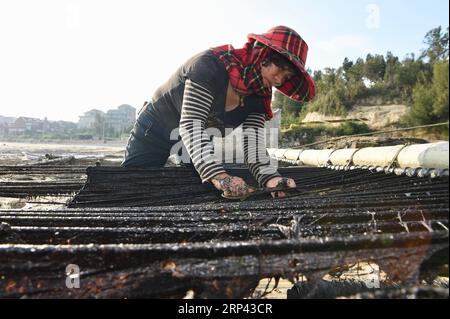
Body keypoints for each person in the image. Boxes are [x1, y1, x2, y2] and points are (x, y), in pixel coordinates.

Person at [121, 26, 316, 199]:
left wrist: (272, 179)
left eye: (286, 76)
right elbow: (191, 124)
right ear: (262, 54)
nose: (279, 80)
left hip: (194, 144)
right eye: (280, 68)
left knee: (194, 192)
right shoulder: (209, 66)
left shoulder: (259, 98)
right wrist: (220, 177)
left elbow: (253, 145)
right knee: (131, 187)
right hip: (155, 130)